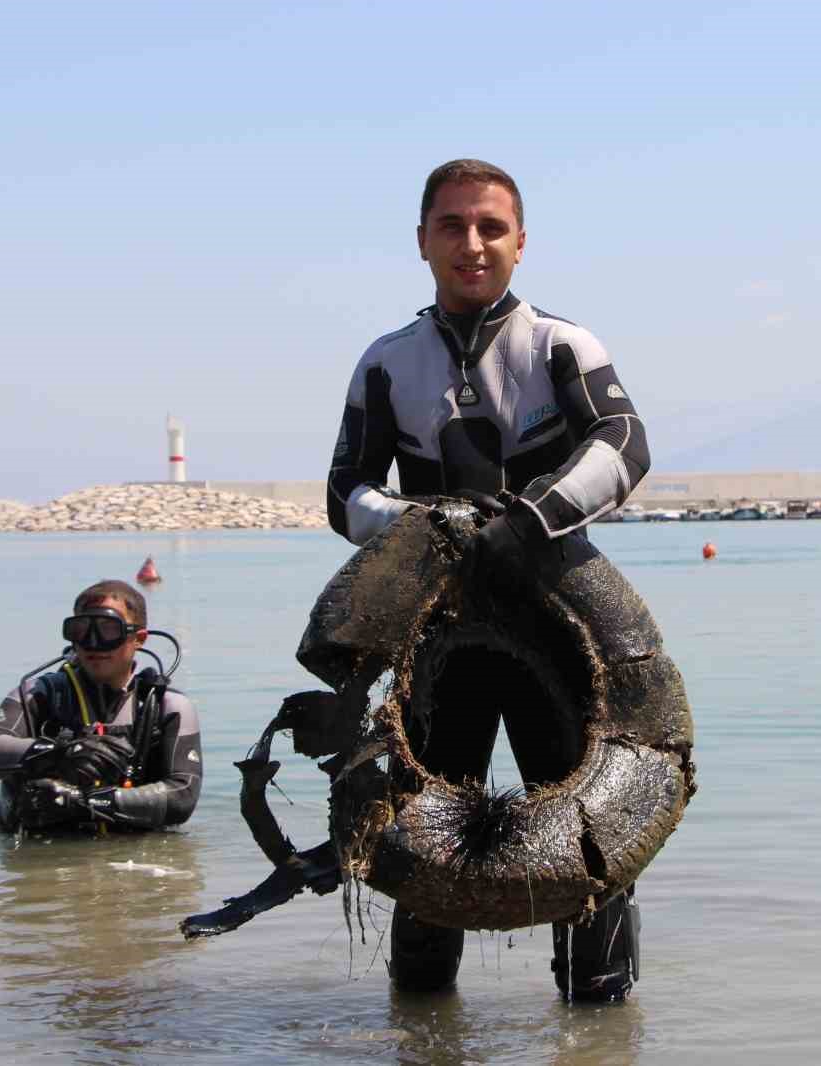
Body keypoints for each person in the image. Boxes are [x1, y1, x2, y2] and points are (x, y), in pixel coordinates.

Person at [326, 159, 650, 1002]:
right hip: (444, 641)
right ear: (424, 239)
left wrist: (526, 523)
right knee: (426, 832)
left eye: (491, 227)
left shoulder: (561, 345)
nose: (472, 245)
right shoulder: (387, 363)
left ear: (520, 242)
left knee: (588, 832)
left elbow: (624, 444)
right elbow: (343, 493)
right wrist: (432, 528)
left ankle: (599, 1029)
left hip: (559, 632)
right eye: (452, 226)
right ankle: (425, 1025)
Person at [0, 580, 202, 834]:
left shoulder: (168, 706)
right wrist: (59, 754)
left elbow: (182, 796)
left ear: (139, 638)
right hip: (42, 854)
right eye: (82, 630)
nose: (93, 643)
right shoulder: (39, 693)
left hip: (134, 863)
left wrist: (83, 802)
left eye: (108, 630)